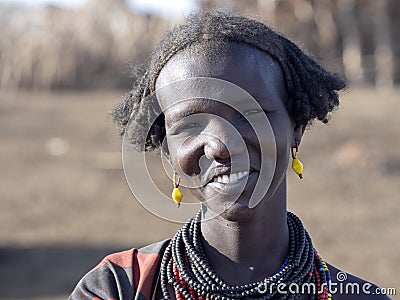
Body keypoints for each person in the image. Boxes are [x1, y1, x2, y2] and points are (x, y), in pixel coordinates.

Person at [69, 10, 390, 300]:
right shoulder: (118, 287)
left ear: (296, 128)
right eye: (191, 125)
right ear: (169, 151)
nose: (222, 146)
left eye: (249, 113)